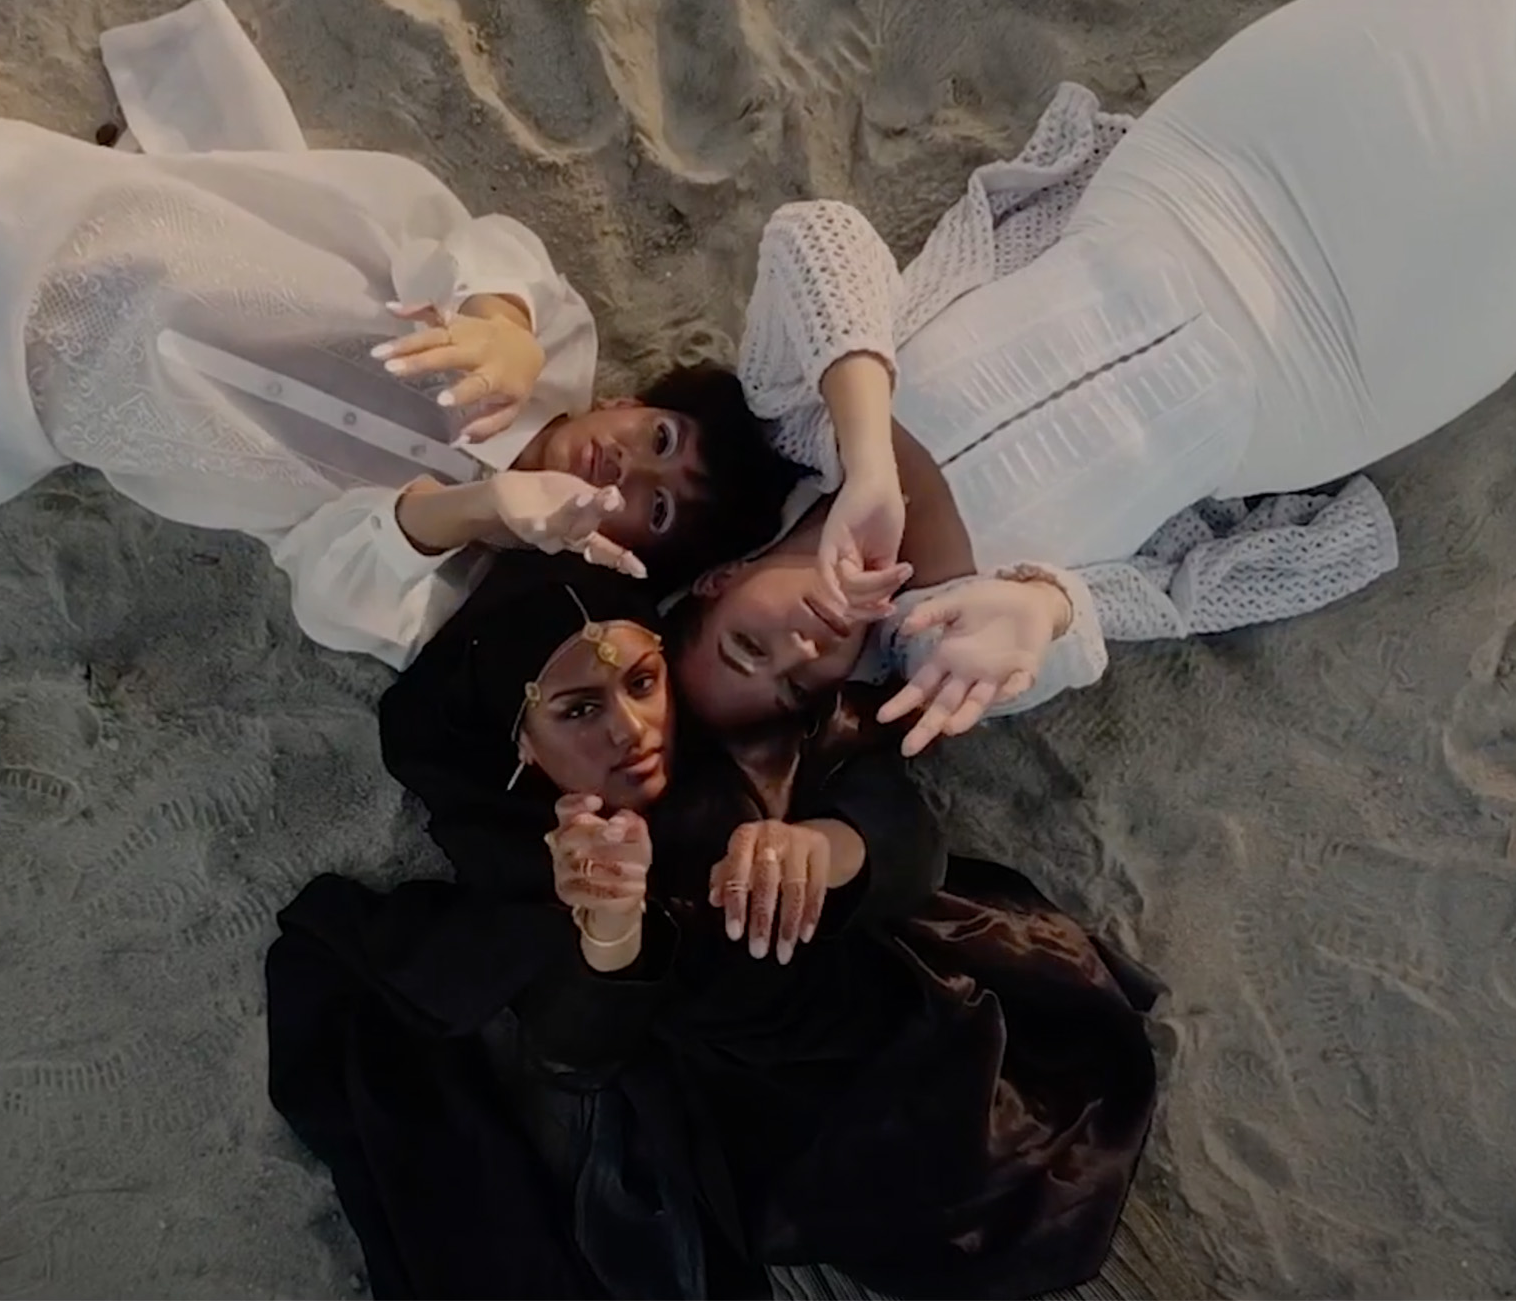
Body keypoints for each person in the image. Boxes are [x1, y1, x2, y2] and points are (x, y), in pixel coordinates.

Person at [677, 0, 1516, 744]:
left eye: (748, 646)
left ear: (720, 582)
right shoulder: (945, 650)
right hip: (1336, 363)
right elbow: (1153, 597)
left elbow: (820, 239)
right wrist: (1045, 610)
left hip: (1213, 176)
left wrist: (862, 458)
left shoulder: (792, 412)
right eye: (794, 687)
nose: (796, 652)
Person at [0, 0, 802, 670]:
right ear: (627, 400)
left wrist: (490, 510)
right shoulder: (547, 340)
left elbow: (337, 587)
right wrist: (497, 323)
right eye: (657, 437)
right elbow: (461, 239)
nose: (625, 468)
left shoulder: (445, 582)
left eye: (653, 509)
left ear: (625, 555)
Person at [265, 550, 1161, 1298]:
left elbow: (903, 822)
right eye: (579, 710)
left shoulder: (747, 729)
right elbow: (576, 1052)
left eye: (643, 682)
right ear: (523, 743)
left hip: (917, 987)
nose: (631, 728)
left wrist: (829, 844)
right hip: (775, 1094)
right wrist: (612, 928)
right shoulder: (534, 861)